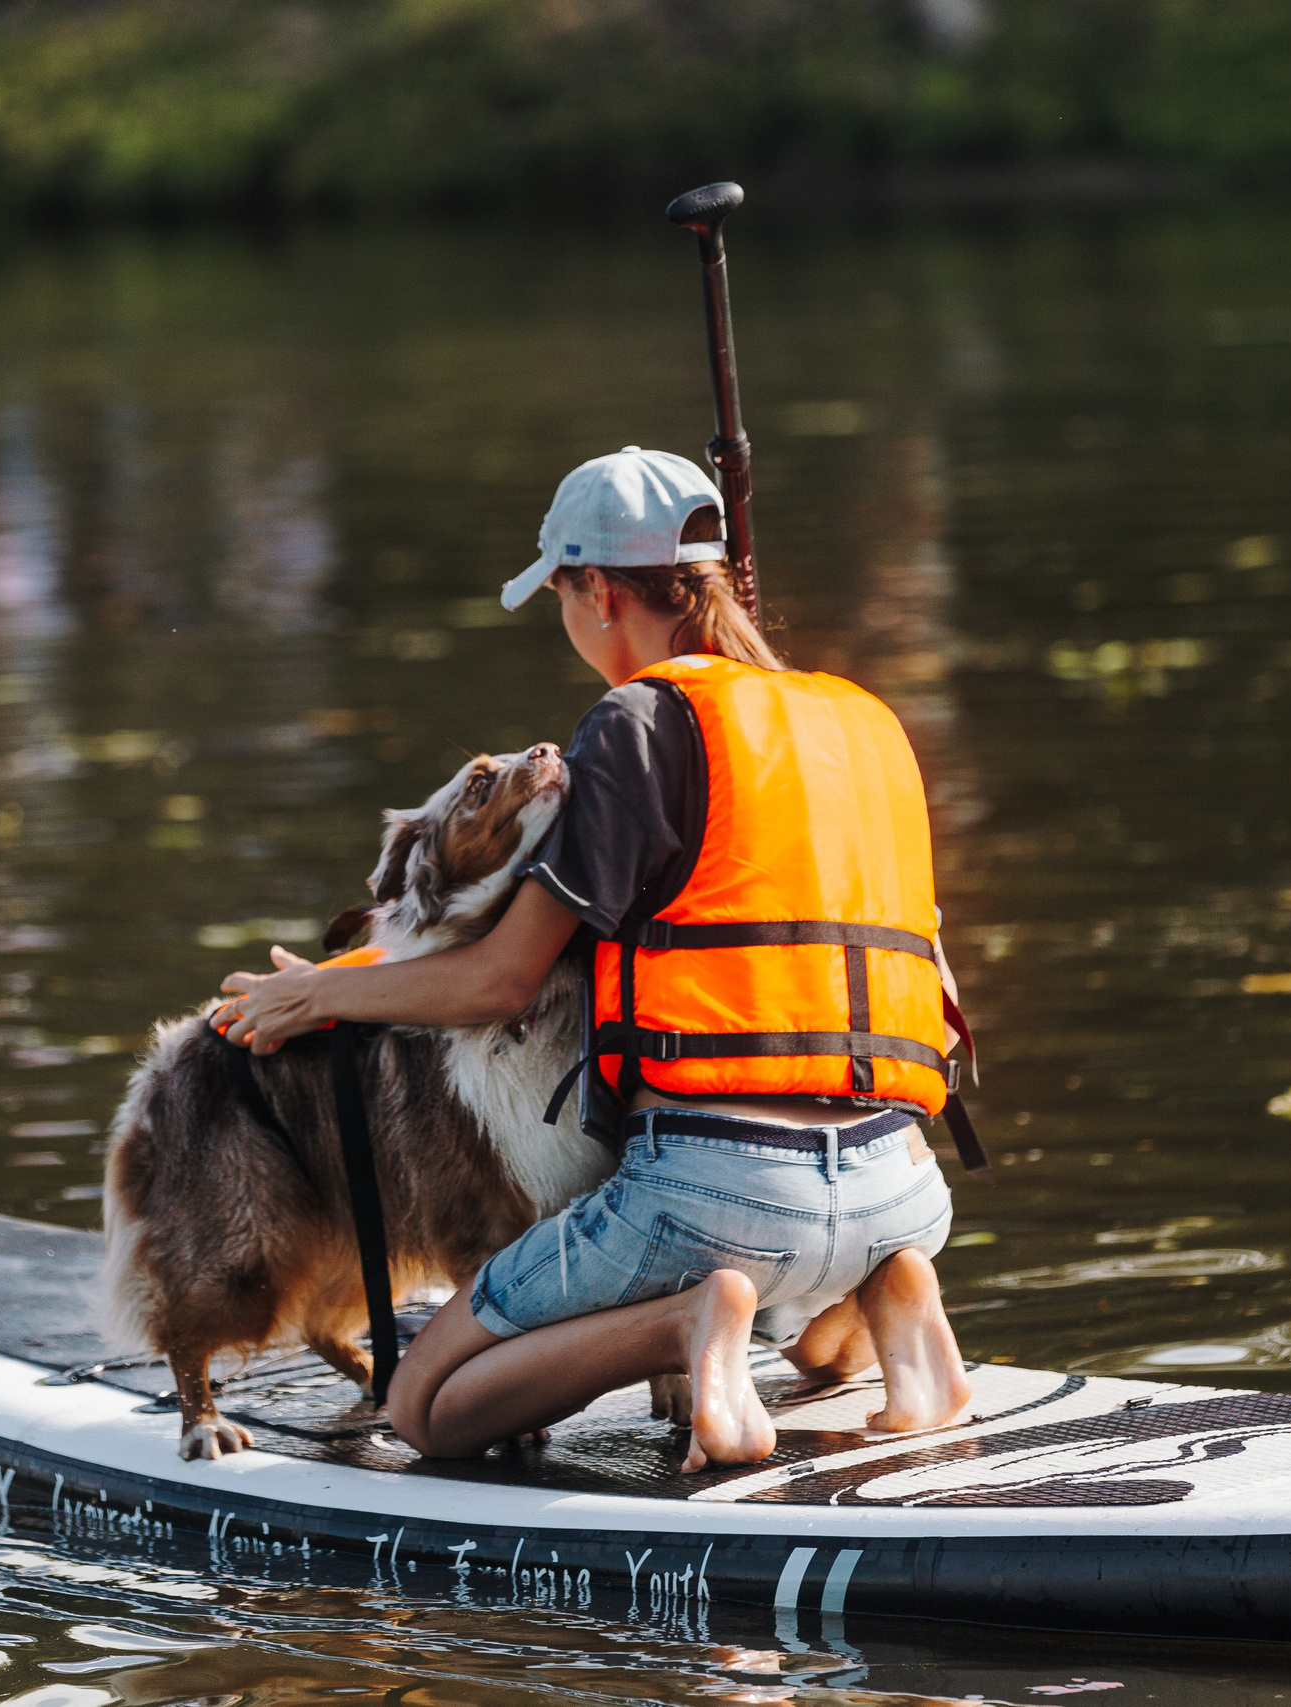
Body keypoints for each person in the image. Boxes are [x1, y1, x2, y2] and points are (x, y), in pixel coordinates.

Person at [217, 446, 970, 1470]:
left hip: (725, 1195)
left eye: (562, 598)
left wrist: (317, 997)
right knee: (824, 1277)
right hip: (904, 1184)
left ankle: (687, 1323)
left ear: (601, 592)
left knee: (424, 1407)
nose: (569, 627)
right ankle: (891, 1292)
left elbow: (502, 981)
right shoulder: (865, 722)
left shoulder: (637, 724)